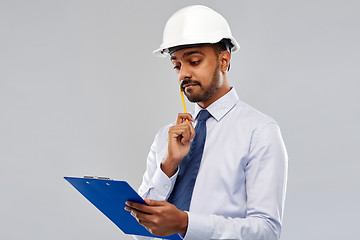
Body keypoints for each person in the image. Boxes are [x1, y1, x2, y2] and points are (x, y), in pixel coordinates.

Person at [125, 5, 288, 240]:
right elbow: (140, 233)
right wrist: (169, 165)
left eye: (194, 61)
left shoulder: (260, 132)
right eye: (177, 66)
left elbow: (266, 232)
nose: (183, 74)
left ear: (224, 60)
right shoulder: (165, 137)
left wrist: (185, 224)